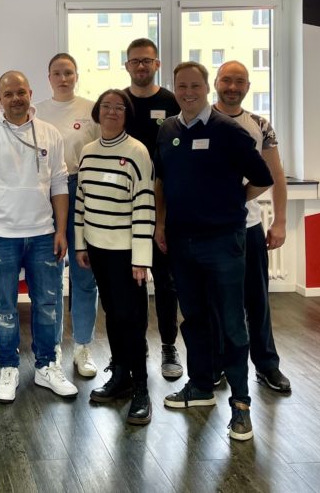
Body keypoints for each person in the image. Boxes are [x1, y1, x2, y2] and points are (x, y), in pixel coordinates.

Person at [154, 61, 273, 442]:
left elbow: (263, 178)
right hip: (181, 243)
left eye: (195, 86)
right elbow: (162, 181)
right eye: (181, 86)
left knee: (232, 323)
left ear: (207, 88)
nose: (188, 92)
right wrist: (160, 223)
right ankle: (201, 385)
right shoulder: (167, 130)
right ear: (174, 89)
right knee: (194, 319)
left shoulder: (229, 130)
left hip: (223, 242)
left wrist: (233, 202)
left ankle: (240, 404)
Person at [0, 71, 77, 403]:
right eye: (8, 94)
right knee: (4, 307)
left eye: (21, 92)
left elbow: (59, 183)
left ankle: (47, 366)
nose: (16, 99)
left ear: (30, 93)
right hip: (1, 235)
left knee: (48, 304)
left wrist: (60, 229)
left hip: (43, 234)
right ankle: (9, 368)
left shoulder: (49, 133)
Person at [75, 89, 155, 425]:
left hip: (127, 254)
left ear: (127, 114)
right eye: (106, 106)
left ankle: (141, 388)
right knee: (112, 314)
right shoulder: (88, 151)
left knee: (131, 319)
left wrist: (141, 258)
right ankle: (120, 376)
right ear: (97, 112)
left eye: (118, 107)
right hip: (96, 249)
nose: (111, 111)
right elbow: (81, 200)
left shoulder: (137, 151)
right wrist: (80, 244)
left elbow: (145, 205)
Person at [213, 60, 292, 394]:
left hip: (249, 226)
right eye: (226, 80)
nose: (232, 87)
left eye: (239, 81)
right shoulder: (200, 120)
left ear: (247, 86)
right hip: (210, 229)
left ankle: (266, 365)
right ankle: (216, 364)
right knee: (214, 301)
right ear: (216, 82)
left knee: (257, 300)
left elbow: (275, 175)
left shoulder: (260, 125)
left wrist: (280, 222)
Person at [35, 53, 99, 378]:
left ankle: (83, 346)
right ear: (49, 78)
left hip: (84, 191)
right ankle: (54, 344)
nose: (63, 78)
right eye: (57, 73)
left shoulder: (91, 110)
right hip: (48, 195)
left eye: (69, 73)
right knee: (51, 275)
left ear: (77, 76)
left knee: (84, 273)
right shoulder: (37, 112)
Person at [123, 38, 183, 381]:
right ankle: (138, 345)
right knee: (133, 283)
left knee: (166, 282)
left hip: (164, 205)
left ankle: (169, 346)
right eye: (135, 61)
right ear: (127, 66)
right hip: (127, 207)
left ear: (157, 64)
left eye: (147, 60)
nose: (141, 66)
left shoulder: (171, 102)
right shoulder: (120, 102)